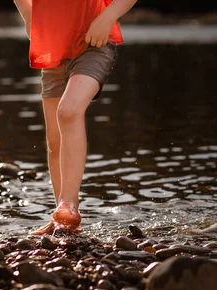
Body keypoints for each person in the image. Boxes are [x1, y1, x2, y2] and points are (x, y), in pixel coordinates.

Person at [13, 0, 137, 235]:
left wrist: (107, 17)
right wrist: (28, 15)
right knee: (54, 140)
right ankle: (64, 219)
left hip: (94, 43)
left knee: (68, 111)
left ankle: (68, 204)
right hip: (54, 47)